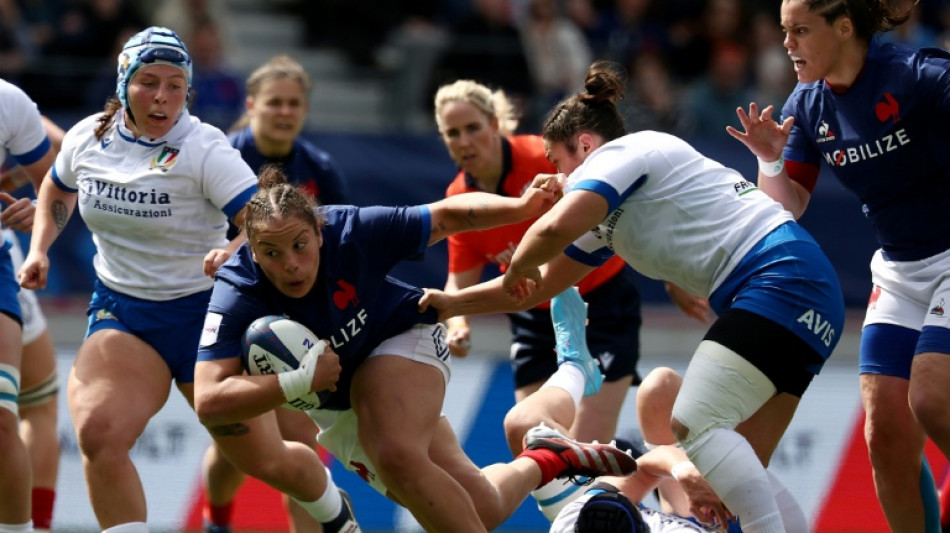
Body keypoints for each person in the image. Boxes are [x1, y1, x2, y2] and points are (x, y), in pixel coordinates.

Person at [420, 60, 846, 533]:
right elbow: (533, 290)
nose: (557, 179)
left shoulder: (624, 152)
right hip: (807, 293)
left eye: (557, 164)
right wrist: (450, 304)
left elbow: (552, 232)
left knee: (692, 422)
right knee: (731, 478)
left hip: (779, 279)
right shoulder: (605, 218)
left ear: (583, 145)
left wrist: (518, 258)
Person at [193, 165, 638, 533]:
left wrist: (521, 208)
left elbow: (449, 217)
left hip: (402, 336)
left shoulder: (351, 230)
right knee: (478, 506)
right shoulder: (237, 288)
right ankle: (545, 459)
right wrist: (297, 382)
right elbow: (211, 400)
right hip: (336, 402)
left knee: (393, 451)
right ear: (251, 250)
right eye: (271, 253)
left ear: (320, 233)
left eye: (300, 245)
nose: (290, 262)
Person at [15, 27, 271, 533]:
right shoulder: (89, 136)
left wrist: (232, 248)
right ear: (123, 83)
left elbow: (262, 219)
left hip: (205, 315)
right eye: (148, 81)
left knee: (268, 462)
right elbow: (57, 188)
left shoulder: (204, 147)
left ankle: (332, 512)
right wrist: (41, 248)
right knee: (97, 433)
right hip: (124, 311)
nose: (162, 96)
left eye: (176, 85)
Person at [724, 1, 950, 531]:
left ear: (844, 28)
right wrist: (769, 159)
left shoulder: (920, 77)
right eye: (784, 31)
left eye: (800, 31)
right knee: (885, 434)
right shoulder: (807, 105)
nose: (787, 45)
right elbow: (785, 208)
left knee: (931, 396)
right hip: (900, 271)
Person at [201, 53, 350, 533]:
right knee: (235, 447)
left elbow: (340, 244)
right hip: (228, 318)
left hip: (290, 324)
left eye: (294, 103)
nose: (285, 112)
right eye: (275, 102)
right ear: (252, 104)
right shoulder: (219, 155)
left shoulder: (320, 169)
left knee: (299, 452)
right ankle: (217, 521)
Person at [1, 114, 65, 533]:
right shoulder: (9, 100)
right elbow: (61, 151)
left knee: (30, 404)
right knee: (32, 406)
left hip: (5, 266)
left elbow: (62, 158)